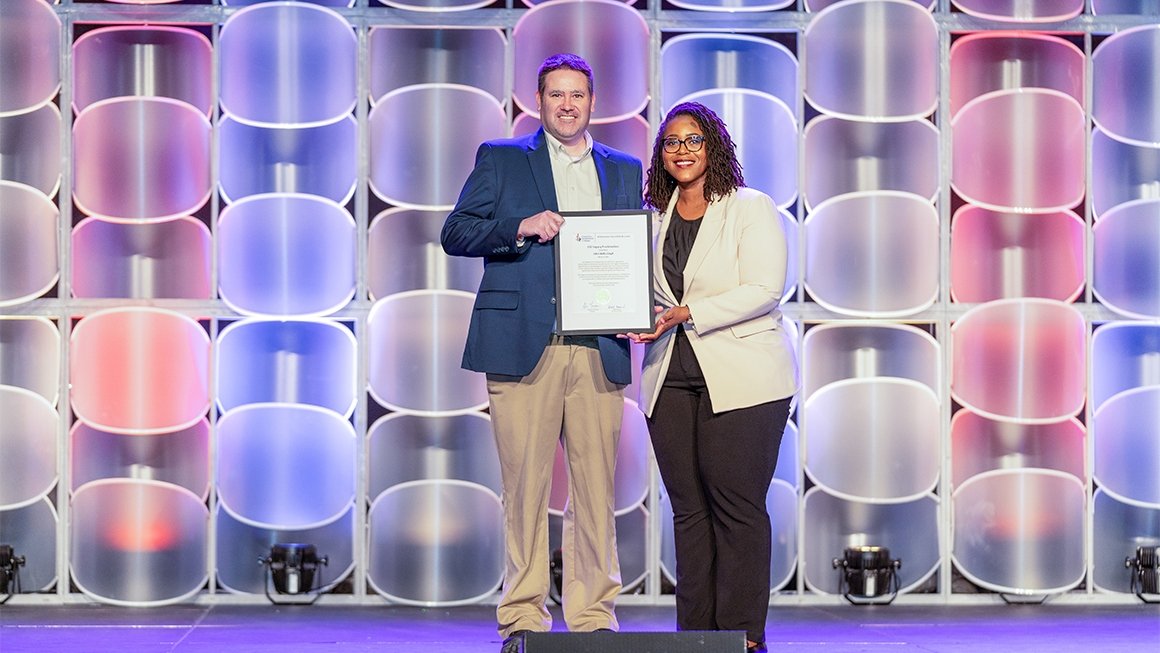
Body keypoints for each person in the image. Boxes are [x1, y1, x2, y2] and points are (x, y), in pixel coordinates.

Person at [441, 53, 644, 653]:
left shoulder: (624, 168)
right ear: (539, 100)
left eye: (577, 94)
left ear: (593, 101)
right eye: (555, 94)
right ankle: (523, 616)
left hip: (598, 346)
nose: (566, 104)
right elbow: (456, 231)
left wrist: (638, 310)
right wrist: (519, 227)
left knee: (595, 489)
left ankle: (593, 618)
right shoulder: (502, 158)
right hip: (522, 342)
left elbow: (632, 249)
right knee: (525, 486)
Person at [624, 102, 798, 653]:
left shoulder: (749, 207)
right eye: (671, 142)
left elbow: (765, 289)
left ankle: (743, 637)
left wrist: (687, 313)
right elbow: (638, 289)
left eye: (692, 139)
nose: (681, 150)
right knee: (689, 511)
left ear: (714, 145)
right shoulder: (651, 215)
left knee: (736, 507)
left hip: (744, 375)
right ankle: (697, 639)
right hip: (669, 375)